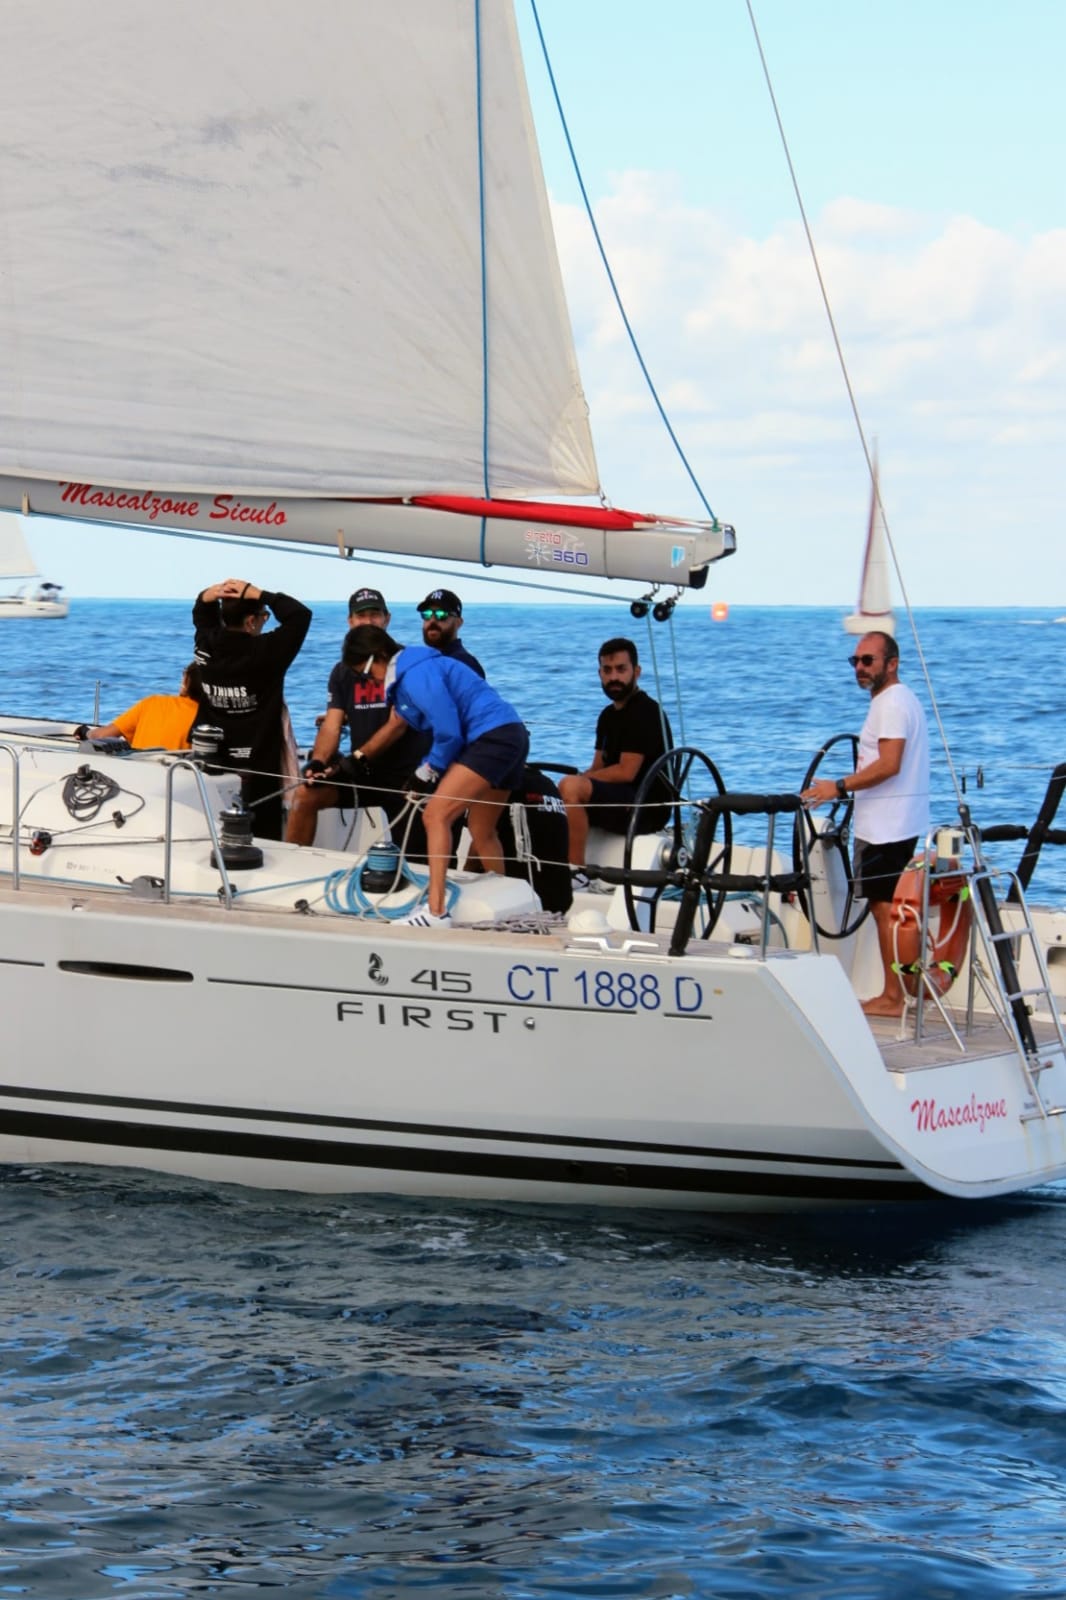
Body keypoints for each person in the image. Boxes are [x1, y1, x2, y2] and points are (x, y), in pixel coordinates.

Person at [343, 624, 528, 928]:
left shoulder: (415, 674)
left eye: (365, 672)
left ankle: (436, 911)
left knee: (435, 815)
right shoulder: (418, 667)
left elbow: (449, 732)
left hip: (491, 739)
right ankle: (509, 907)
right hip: (512, 734)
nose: (369, 680)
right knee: (482, 828)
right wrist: (425, 769)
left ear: (378, 656)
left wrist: (427, 770)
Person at [801, 631, 930, 1017]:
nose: (859, 667)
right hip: (900, 821)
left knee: (884, 909)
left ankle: (893, 997)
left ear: (892, 663)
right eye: (855, 661)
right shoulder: (902, 700)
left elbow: (889, 765)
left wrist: (837, 787)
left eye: (868, 661)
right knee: (889, 908)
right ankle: (906, 992)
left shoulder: (890, 704)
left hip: (886, 827)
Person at [285, 586, 430, 847]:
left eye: (375, 615)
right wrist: (318, 762)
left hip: (407, 776)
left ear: (387, 619)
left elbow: (398, 724)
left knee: (414, 856)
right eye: (361, 616)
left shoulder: (405, 663)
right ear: (350, 621)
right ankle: (295, 862)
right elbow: (332, 725)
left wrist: (355, 760)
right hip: (364, 773)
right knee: (306, 797)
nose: (368, 621)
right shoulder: (342, 672)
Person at [192, 577, 312, 840]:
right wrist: (259, 593)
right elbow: (300, 615)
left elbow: (202, 615)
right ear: (250, 621)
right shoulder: (267, 651)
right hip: (259, 762)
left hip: (212, 756)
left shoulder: (206, 645)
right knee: (263, 839)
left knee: (213, 832)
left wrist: (209, 595)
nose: (264, 621)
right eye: (263, 616)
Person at [558, 638, 672, 876]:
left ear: (636, 672)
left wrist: (581, 782)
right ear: (599, 673)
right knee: (548, 793)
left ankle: (576, 872)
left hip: (645, 806)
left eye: (621, 669)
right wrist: (580, 781)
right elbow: (598, 766)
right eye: (607, 670)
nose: (614, 677)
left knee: (571, 787)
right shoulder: (607, 716)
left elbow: (626, 772)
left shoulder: (645, 711)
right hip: (619, 798)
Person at [76, 663, 203, 750]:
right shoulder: (207, 719)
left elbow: (100, 736)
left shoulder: (152, 703)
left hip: (138, 773)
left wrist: (84, 732)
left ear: (185, 681)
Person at [416, 588, 485, 677]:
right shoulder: (423, 660)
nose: (432, 620)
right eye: (427, 614)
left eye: (441, 614)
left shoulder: (464, 664)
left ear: (458, 623)